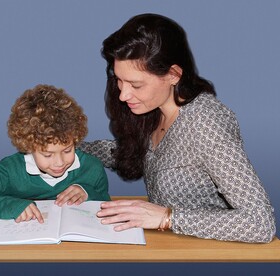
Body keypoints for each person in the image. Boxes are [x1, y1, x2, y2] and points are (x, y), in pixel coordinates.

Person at [78, 13, 276, 243]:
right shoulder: (154, 111)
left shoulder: (205, 122)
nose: (123, 94)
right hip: (173, 247)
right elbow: (128, 152)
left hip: (216, 255)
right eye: (119, 81)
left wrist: (168, 218)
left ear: (173, 75)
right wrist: (66, 148)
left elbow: (260, 223)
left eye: (136, 85)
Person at [0, 84, 111, 223]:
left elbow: (105, 200)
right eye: (47, 155)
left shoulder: (92, 168)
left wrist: (87, 192)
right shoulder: (10, 171)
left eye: (67, 150)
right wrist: (9, 205)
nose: (59, 162)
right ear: (28, 146)